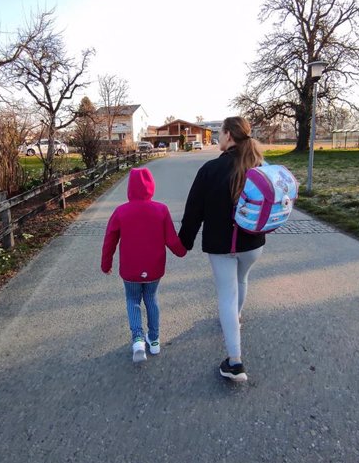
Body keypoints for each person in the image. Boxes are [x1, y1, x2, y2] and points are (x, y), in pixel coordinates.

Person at [178, 116, 264, 382]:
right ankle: (235, 320)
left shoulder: (210, 170)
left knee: (227, 294)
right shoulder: (259, 165)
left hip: (222, 245)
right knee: (242, 279)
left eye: (220, 133)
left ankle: (235, 362)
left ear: (228, 135)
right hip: (253, 243)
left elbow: (193, 212)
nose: (217, 137)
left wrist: (183, 243)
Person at [101, 167, 187, 363]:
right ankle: (154, 340)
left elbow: (109, 240)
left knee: (132, 300)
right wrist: (181, 251)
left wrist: (106, 264)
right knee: (151, 298)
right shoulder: (161, 210)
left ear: (130, 188)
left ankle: (138, 338)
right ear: (151, 187)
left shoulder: (121, 211)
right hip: (154, 268)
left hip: (130, 270)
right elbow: (172, 240)